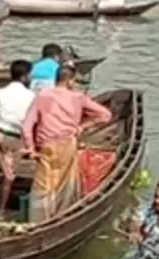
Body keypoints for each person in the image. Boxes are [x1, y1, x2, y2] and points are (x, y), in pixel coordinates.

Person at [21, 63, 114, 223]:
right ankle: (60, 217)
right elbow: (105, 115)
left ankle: (38, 223)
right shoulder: (78, 97)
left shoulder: (43, 96)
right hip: (67, 144)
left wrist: (30, 148)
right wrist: (81, 127)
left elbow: (26, 127)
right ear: (70, 81)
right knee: (64, 184)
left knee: (43, 187)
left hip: (47, 146)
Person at [0, 60, 37, 216]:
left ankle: (2, 165)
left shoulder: (0, 92)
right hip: (15, 140)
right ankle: (1, 211)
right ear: (25, 77)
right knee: (9, 178)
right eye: (30, 75)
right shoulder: (31, 96)